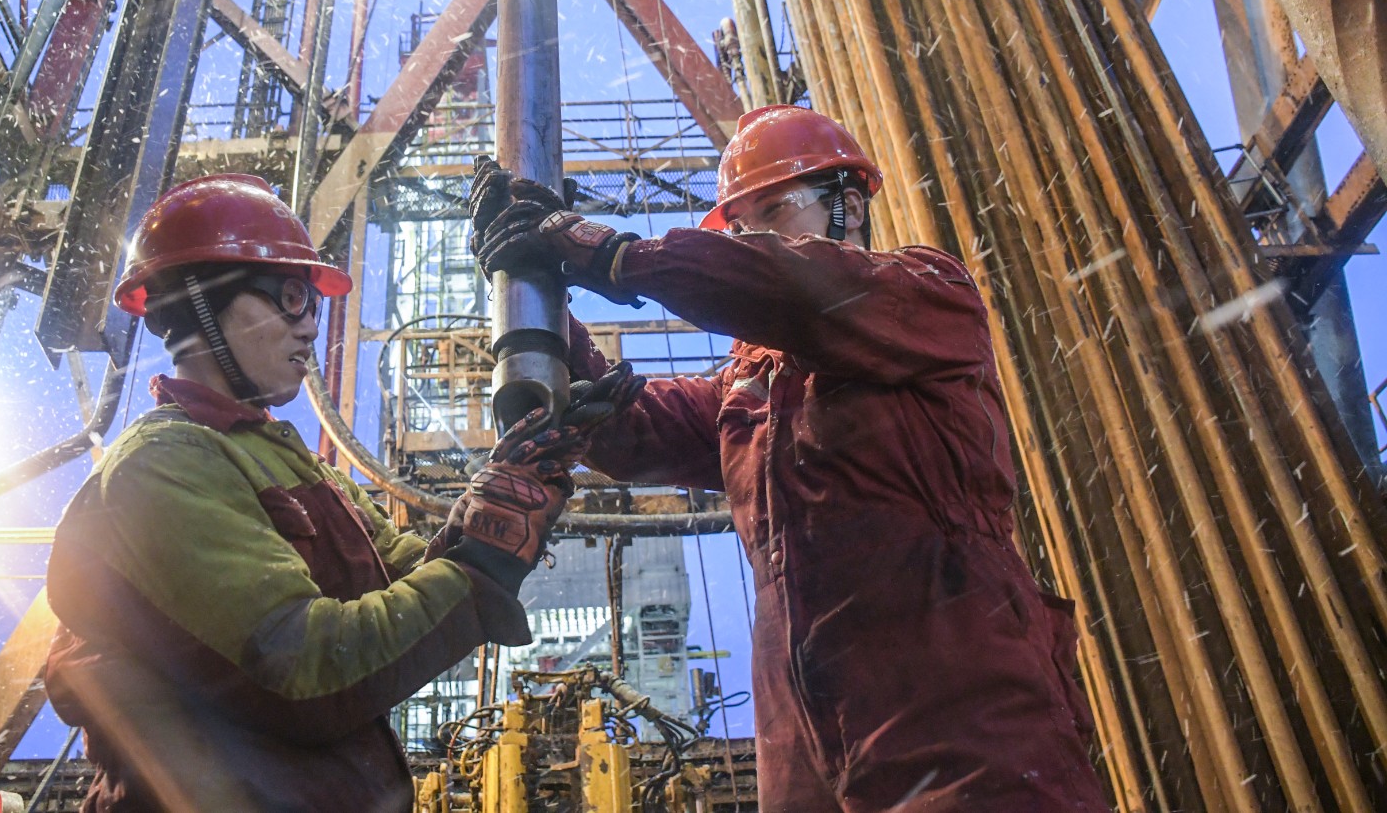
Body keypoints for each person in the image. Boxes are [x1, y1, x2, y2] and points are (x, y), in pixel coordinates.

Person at [468, 106, 1109, 812]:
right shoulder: (752, 388)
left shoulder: (926, 293)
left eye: (774, 210)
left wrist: (608, 252)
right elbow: (632, 427)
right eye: (740, 227)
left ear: (849, 207)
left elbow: (792, 287)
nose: (752, 238)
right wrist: (532, 300)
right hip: (804, 733)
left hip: (957, 704)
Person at [44, 173, 634, 812]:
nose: (309, 329)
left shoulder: (294, 466)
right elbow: (303, 668)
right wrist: (487, 556)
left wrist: (500, 493)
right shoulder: (163, 463)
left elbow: (408, 585)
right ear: (200, 301)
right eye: (291, 299)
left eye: (314, 308)